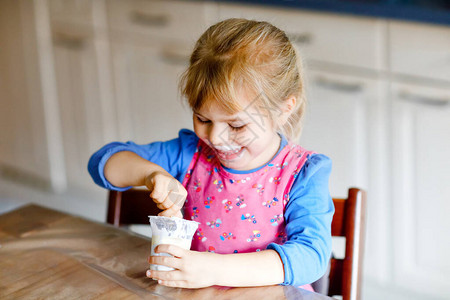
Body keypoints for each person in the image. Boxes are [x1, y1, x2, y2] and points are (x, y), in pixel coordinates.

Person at [88, 18, 334, 290]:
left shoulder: (302, 173)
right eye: (203, 119)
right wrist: (151, 174)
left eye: (236, 125)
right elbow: (103, 162)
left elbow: (312, 257)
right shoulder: (190, 153)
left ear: (283, 110)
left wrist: (213, 270)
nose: (215, 138)